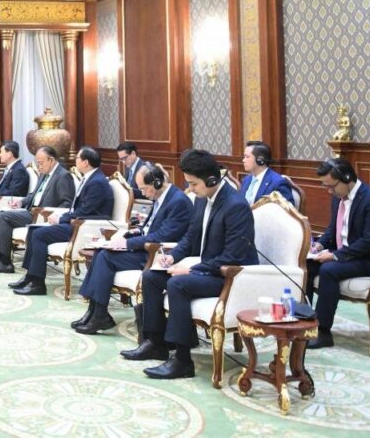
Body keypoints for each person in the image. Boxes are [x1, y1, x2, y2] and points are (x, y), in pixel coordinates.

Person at [122, 149, 257, 380]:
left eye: (194, 184)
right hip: (208, 268)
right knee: (151, 277)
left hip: (229, 276)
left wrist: (192, 269)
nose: (190, 189)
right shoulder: (202, 199)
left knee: (178, 284)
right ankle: (155, 342)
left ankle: (182, 360)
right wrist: (173, 257)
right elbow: (190, 237)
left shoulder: (236, 206)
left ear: (211, 180)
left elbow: (233, 256)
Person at [73, 164, 193, 334]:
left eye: (143, 188)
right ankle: (94, 311)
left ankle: (99, 314)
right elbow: (151, 228)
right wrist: (135, 232)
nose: (142, 193)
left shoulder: (178, 201)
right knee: (100, 253)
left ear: (157, 184)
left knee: (105, 257)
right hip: (146, 248)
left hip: (157, 254)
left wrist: (127, 244)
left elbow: (164, 235)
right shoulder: (161, 197)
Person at [11, 146, 114, 295]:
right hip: (77, 222)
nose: (75, 160)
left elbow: (85, 211)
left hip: (85, 227)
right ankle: (30, 277)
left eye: (77, 158)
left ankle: (38, 283)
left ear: (85, 162)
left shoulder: (97, 182)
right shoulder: (90, 178)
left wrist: (61, 218)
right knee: (34, 230)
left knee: (39, 234)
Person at [306, 157, 370, 349]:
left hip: (366, 259)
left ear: (347, 179)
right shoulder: (338, 197)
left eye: (331, 186)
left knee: (329, 270)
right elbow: (333, 229)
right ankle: (304, 323)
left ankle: (323, 332)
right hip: (343, 254)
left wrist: (335, 256)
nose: (329, 191)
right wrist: (319, 246)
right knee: (307, 265)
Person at [0, 146, 75, 273]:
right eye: (37, 163)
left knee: (4, 216)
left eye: (41, 163)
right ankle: (0, 257)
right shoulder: (44, 173)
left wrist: (51, 214)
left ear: (51, 160)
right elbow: (33, 194)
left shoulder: (63, 176)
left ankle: (4, 262)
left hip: (42, 215)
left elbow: (67, 203)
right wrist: (21, 202)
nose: (39, 167)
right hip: (30, 210)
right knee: (1, 214)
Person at [239, 140, 294, 205]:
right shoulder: (246, 180)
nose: (243, 160)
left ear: (260, 160)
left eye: (247, 157)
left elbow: (287, 208)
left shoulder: (278, 183)